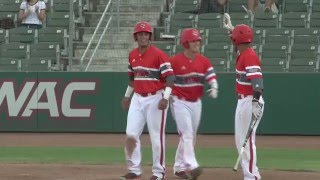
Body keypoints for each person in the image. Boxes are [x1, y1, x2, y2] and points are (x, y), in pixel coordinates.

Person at [120, 21, 175, 180]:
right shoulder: (132, 55)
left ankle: (158, 173)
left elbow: (170, 77)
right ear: (136, 37)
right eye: (140, 34)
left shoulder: (159, 54)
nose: (143, 36)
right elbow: (132, 79)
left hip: (155, 97)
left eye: (146, 34)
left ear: (150, 36)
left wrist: (165, 97)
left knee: (156, 138)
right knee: (131, 135)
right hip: (137, 98)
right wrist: (126, 96)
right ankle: (134, 169)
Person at [170, 28, 218, 179]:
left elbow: (211, 76)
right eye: (193, 40)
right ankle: (192, 165)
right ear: (186, 42)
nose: (197, 43)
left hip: (196, 102)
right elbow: (166, 79)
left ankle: (178, 167)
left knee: (190, 136)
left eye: (198, 40)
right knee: (187, 134)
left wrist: (214, 86)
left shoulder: (203, 60)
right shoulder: (175, 61)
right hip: (179, 101)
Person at [230, 24, 265, 180]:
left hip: (251, 101)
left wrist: (255, 102)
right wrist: (231, 29)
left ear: (238, 39)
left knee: (247, 140)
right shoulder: (243, 52)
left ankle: (252, 176)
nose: (232, 40)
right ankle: (250, 173)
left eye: (233, 38)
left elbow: (257, 82)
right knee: (241, 140)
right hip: (244, 101)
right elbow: (239, 37)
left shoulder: (249, 55)